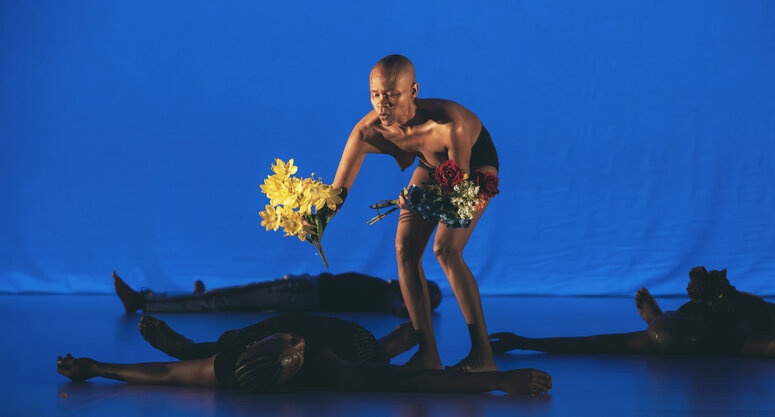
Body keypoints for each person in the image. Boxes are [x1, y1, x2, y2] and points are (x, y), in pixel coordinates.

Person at [322, 54, 500, 372]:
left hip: (471, 170)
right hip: (432, 166)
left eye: (392, 94)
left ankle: (483, 356)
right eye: (376, 94)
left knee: (446, 250)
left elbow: (455, 186)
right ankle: (428, 355)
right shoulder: (367, 131)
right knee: (405, 250)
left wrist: (418, 200)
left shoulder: (448, 125)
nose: (382, 104)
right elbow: (339, 189)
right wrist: (317, 218)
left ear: (413, 90)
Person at [56, 313, 552, 395]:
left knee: (215, 348)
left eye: (285, 345)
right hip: (351, 342)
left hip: (235, 343)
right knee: (379, 360)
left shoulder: (232, 362)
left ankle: (193, 341)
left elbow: (164, 375)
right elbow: (414, 385)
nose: (296, 343)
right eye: (294, 351)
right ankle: (394, 342)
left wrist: (97, 368)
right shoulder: (326, 367)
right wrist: (499, 381)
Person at [489, 267, 775, 363]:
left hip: (773, 317)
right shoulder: (723, 342)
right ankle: (653, 316)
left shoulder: (732, 334)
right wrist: (524, 341)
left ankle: (653, 315)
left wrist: (527, 341)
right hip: (762, 321)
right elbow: (595, 343)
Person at [112, 271, 441, 316]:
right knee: (227, 296)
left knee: (223, 302)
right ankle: (155, 298)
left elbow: (406, 310)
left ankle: (144, 302)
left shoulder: (390, 300)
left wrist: (419, 302)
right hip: (300, 286)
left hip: (299, 295)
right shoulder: (385, 288)